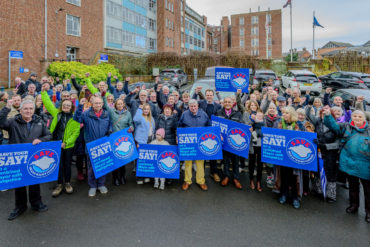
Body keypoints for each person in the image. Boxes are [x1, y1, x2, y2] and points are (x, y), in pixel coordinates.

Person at [0, 99, 52, 220]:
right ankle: (20, 206)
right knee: (19, 183)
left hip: (33, 158)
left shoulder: (39, 121)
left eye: (31, 108)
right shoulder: (13, 121)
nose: (28, 111)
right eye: (26, 109)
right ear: (20, 110)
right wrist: (6, 108)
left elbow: (48, 135)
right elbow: (1, 123)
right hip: (18, 158)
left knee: (34, 181)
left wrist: (41, 140)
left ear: (33, 110)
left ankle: (36, 203)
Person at [323, 108, 370, 223]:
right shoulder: (346, 127)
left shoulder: (368, 130)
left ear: (364, 119)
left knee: (368, 191)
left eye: (360, 117)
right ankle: (354, 206)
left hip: (365, 165)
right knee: (353, 187)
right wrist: (328, 115)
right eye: (355, 116)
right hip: (349, 163)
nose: (357, 119)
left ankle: (369, 211)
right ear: (351, 118)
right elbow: (334, 127)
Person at [41, 89, 80, 197]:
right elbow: (48, 105)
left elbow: (76, 133)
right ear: (61, 105)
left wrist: (66, 143)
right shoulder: (57, 113)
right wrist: (44, 93)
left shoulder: (75, 117)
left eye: (68, 105)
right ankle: (59, 185)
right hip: (56, 144)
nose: (66, 107)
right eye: (64, 105)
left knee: (67, 164)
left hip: (68, 145)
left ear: (71, 107)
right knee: (58, 165)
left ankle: (67, 183)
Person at [74, 96, 112, 197]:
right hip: (91, 145)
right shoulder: (86, 114)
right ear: (92, 104)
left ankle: (101, 184)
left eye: (100, 103)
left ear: (102, 104)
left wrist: (110, 130)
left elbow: (110, 124)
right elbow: (76, 120)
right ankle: (93, 186)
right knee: (91, 167)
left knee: (103, 166)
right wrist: (79, 106)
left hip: (103, 145)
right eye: (96, 103)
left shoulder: (106, 114)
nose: (98, 105)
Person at [178, 99, 210, 191]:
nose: (193, 108)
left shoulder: (203, 114)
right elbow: (180, 126)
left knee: (200, 162)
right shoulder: (184, 114)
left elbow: (209, 126)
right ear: (189, 107)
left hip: (201, 142)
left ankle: (201, 181)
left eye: (194, 106)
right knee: (188, 162)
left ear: (197, 106)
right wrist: (178, 135)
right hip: (189, 142)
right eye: (191, 106)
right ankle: (187, 181)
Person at [102, 91, 134, 186]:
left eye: (121, 104)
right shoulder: (112, 111)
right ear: (115, 105)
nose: (120, 105)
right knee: (115, 160)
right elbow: (106, 106)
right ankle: (115, 178)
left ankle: (122, 177)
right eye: (118, 104)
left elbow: (131, 124)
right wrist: (103, 96)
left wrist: (132, 128)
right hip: (114, 139)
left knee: (123, 159)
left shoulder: (128, 113)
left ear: (124, 104)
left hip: (124, 139)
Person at [277, 106, 305, 209]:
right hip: (283, 154)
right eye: (283, 113)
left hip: (295, 154)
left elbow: (305, 138)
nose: (284, 115)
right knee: (283, 175)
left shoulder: (299, 125)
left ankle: (295, 197)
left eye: (286, 113)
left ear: (292, 115)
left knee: (294, 177)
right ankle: (283, 194)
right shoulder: (279, 124)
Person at [216, 96, 243, 189]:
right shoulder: (218, 113)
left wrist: (249, 129)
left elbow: (242, 126)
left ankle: (236, 178)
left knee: (236, 160)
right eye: (225, 102)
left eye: (229, 102)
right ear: (223, 103)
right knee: (226, 160)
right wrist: (217, 134)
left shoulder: (238, 114)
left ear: (232, 104)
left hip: (235, 142)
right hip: (224, 142)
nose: (227, 103)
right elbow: (215, 126)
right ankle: (226, 176)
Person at [133, 103, 155, 184]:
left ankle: (146, 175)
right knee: (140, 159)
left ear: (149, 110)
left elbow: (153, 130)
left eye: (147, 109)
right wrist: (139, 109)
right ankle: (139, 177)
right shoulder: (140, 117)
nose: (146, 110)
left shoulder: (151, 118)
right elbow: (135, 119)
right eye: (144, 109)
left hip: (149, 140)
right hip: (141, 140)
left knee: (147, 159)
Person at [249, 111, 265, 192]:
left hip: (261, 147)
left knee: (260, 165)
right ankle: (251, 180)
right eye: (257, 115)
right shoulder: (252, 124)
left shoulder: (264, 125)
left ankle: (258, 182)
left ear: (263, 117)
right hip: (253, 146)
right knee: (251, 163)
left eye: (260, 116)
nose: (258, 117)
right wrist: (250, 131)